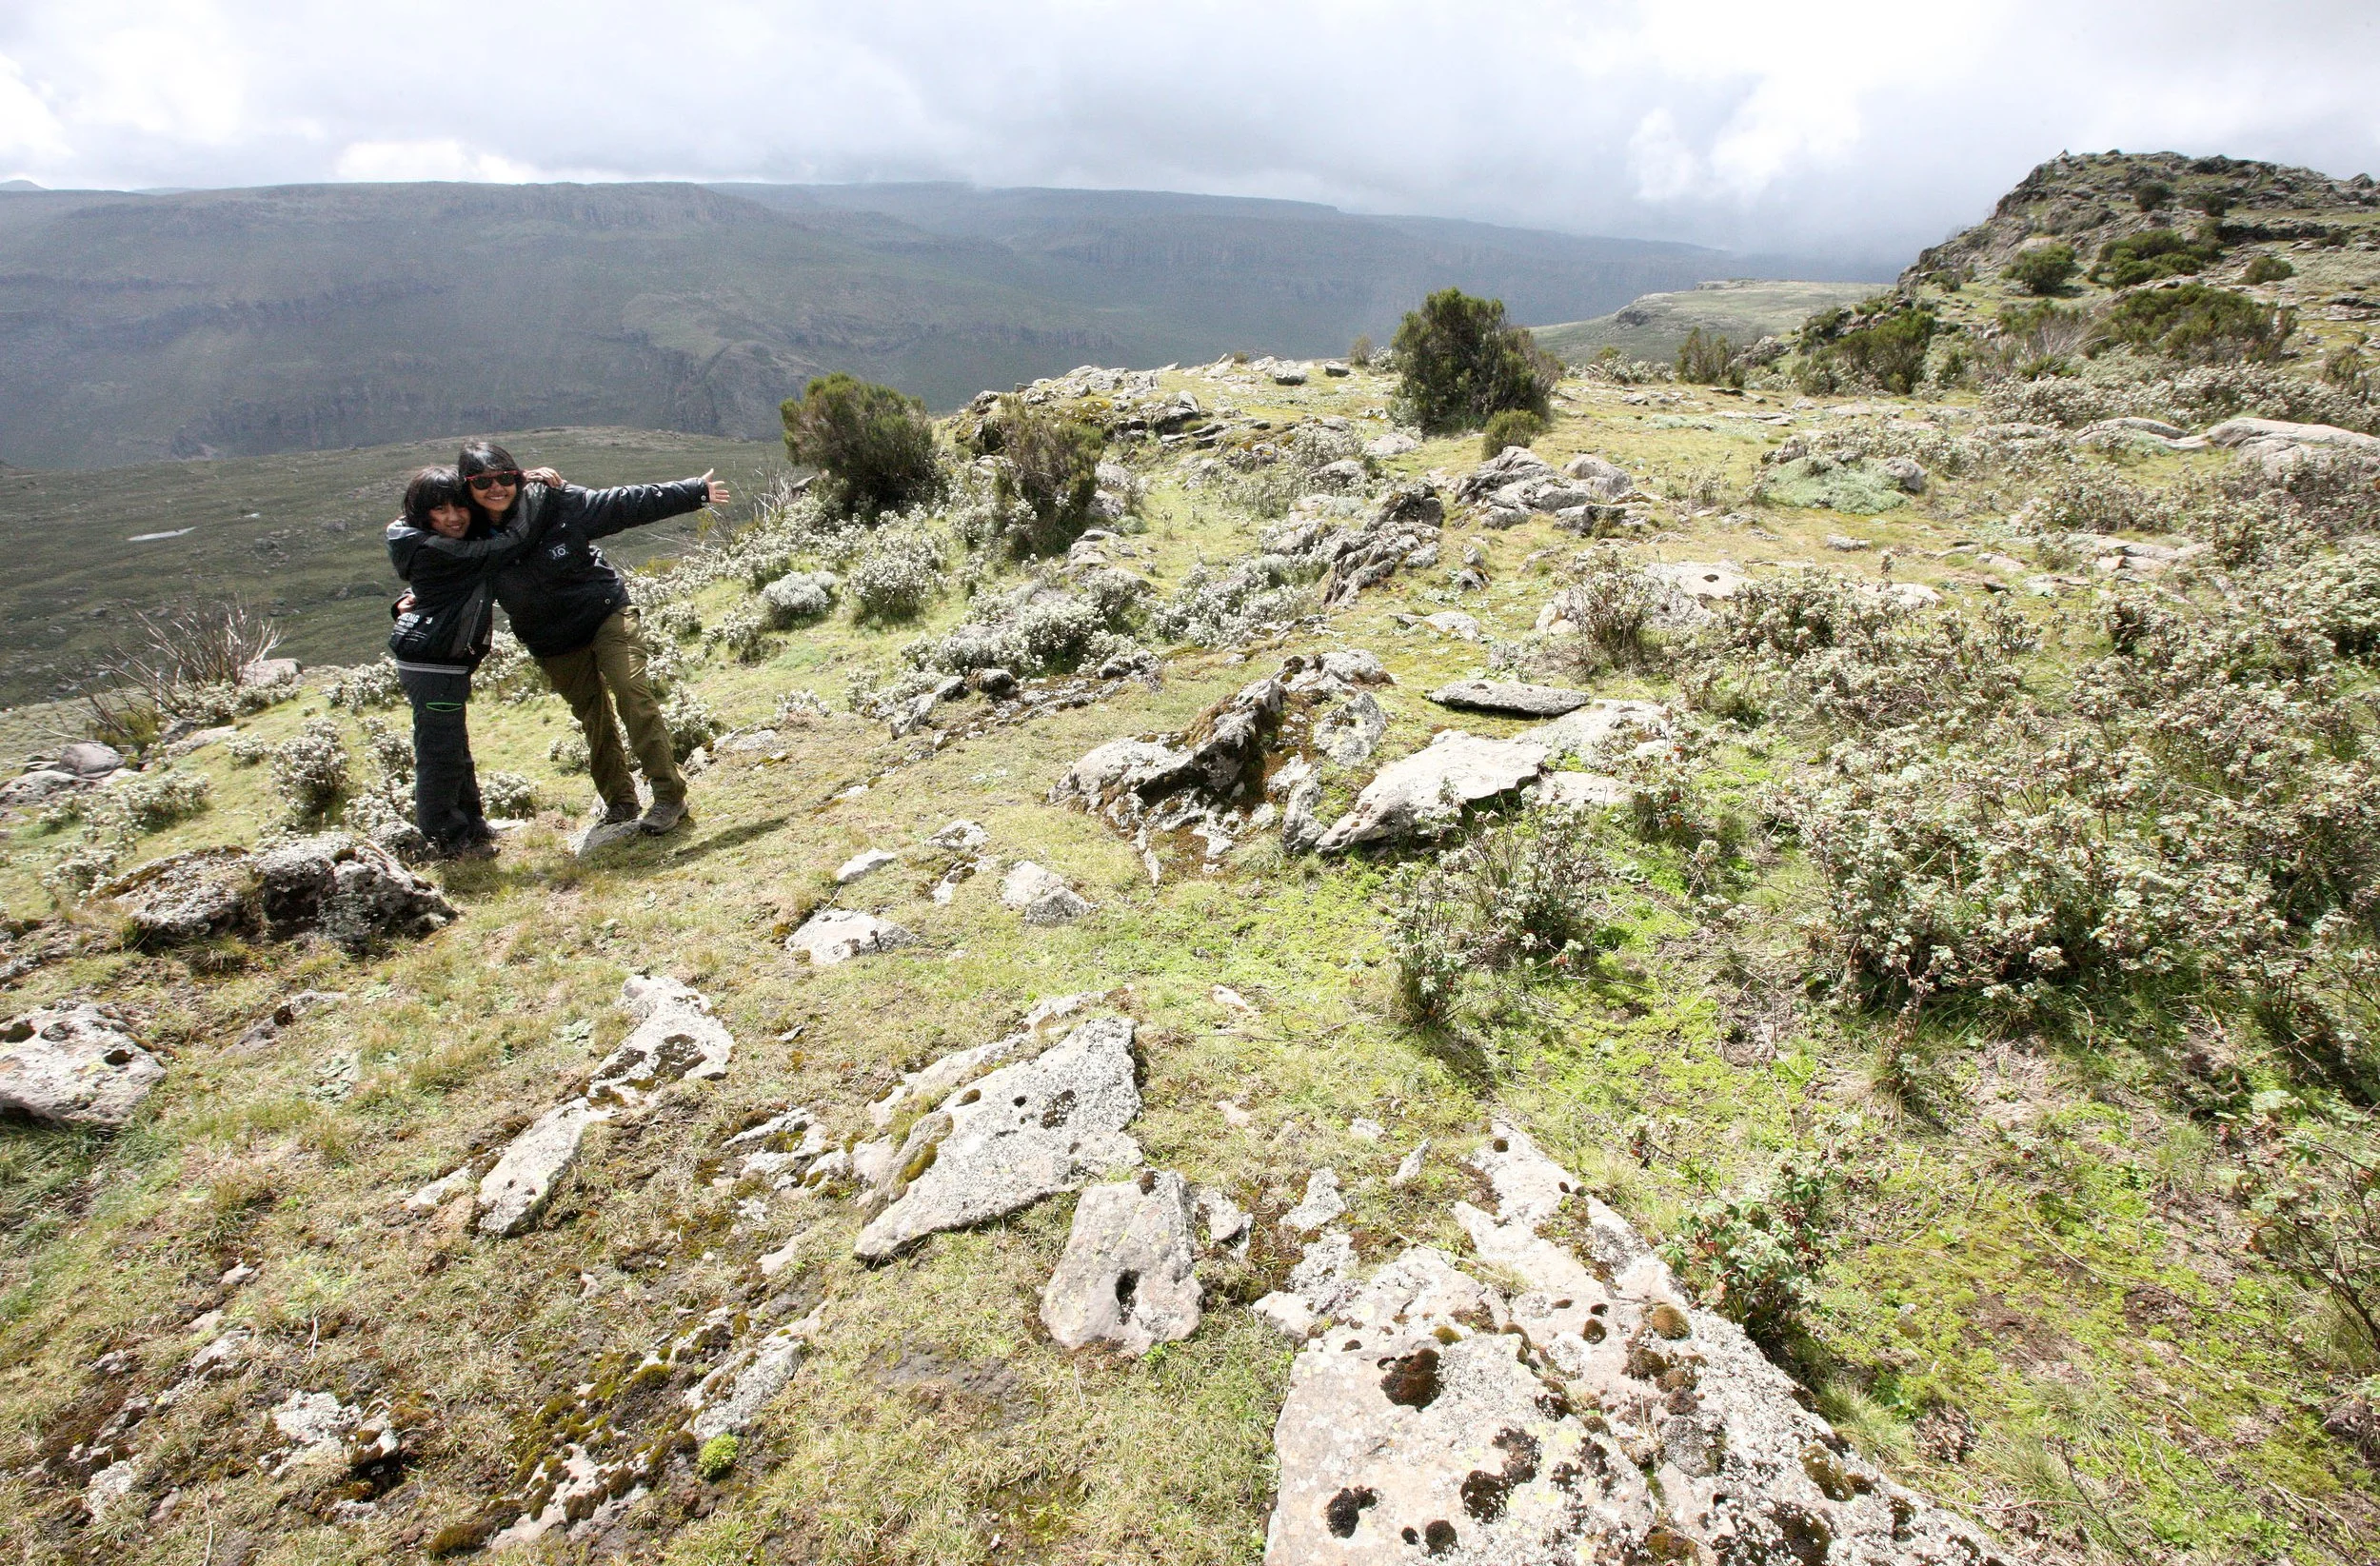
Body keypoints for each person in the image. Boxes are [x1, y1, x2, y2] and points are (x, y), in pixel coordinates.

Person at [461, 440, 728, 835]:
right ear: (466, 487)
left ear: (515, 476)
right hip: (551, 640)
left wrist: (691, 492)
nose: (494, 488)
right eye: (482, 481)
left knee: (630, 688)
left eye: (503, 477)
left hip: (604, 611)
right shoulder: (467, 532)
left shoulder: (555, 503)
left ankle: (670, 797)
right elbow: (423, 543)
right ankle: (620, 801)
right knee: (593, 716)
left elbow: (623, 503)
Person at [384, 464, 560, 859]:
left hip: (440, 662)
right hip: (434, 666)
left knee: (453, 747)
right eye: (439, 510)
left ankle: (473, 826)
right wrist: (527, 489)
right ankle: (448, 840)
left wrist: (512, 479)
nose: (453, 517)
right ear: (421, 513)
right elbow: (510, 541)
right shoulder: (440, 549)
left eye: (459, 507)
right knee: (439, 753)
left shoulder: (423, 538)